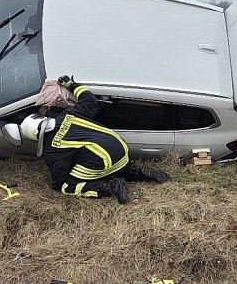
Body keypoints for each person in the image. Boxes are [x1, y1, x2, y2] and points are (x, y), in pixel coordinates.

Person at [19, 76, 169, 203]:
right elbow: (89, 99)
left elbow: (60, 174)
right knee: (111, 163)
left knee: (68, 187)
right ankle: (140, 172)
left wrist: (57, 184)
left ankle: (110, 188)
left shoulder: (51, 149)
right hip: (121, 147)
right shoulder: (68, 114)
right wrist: (71, 85)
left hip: (105, 158)